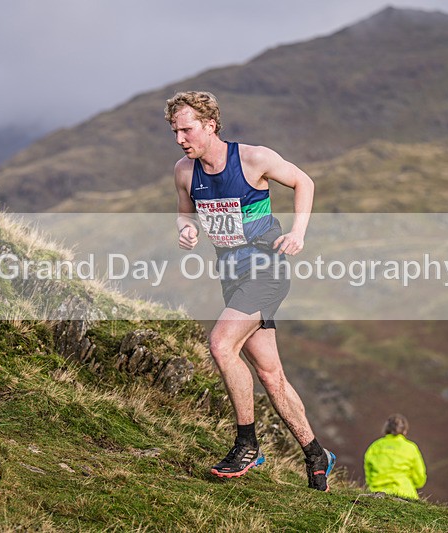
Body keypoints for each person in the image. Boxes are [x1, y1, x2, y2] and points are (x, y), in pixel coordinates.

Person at [165, 90, 336, 491]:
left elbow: (303, 181)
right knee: (270, 373)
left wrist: (298, 232)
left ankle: (247, 445)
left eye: (186, 129)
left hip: (266, 268)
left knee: (222, 345)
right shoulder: (184, 172)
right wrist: (186, 229)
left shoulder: (253, 159)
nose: (180, 139)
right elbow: (183, 213)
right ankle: (316, 455)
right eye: (174, 131)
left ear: (210, 125)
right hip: (231, 274)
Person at [363, 414, 426, 500]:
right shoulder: (411, 448)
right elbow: (420, 479)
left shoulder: (374, 446)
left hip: (376, 494)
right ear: (405, 430)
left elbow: (368, 475)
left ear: (386, 429)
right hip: (405, 494)